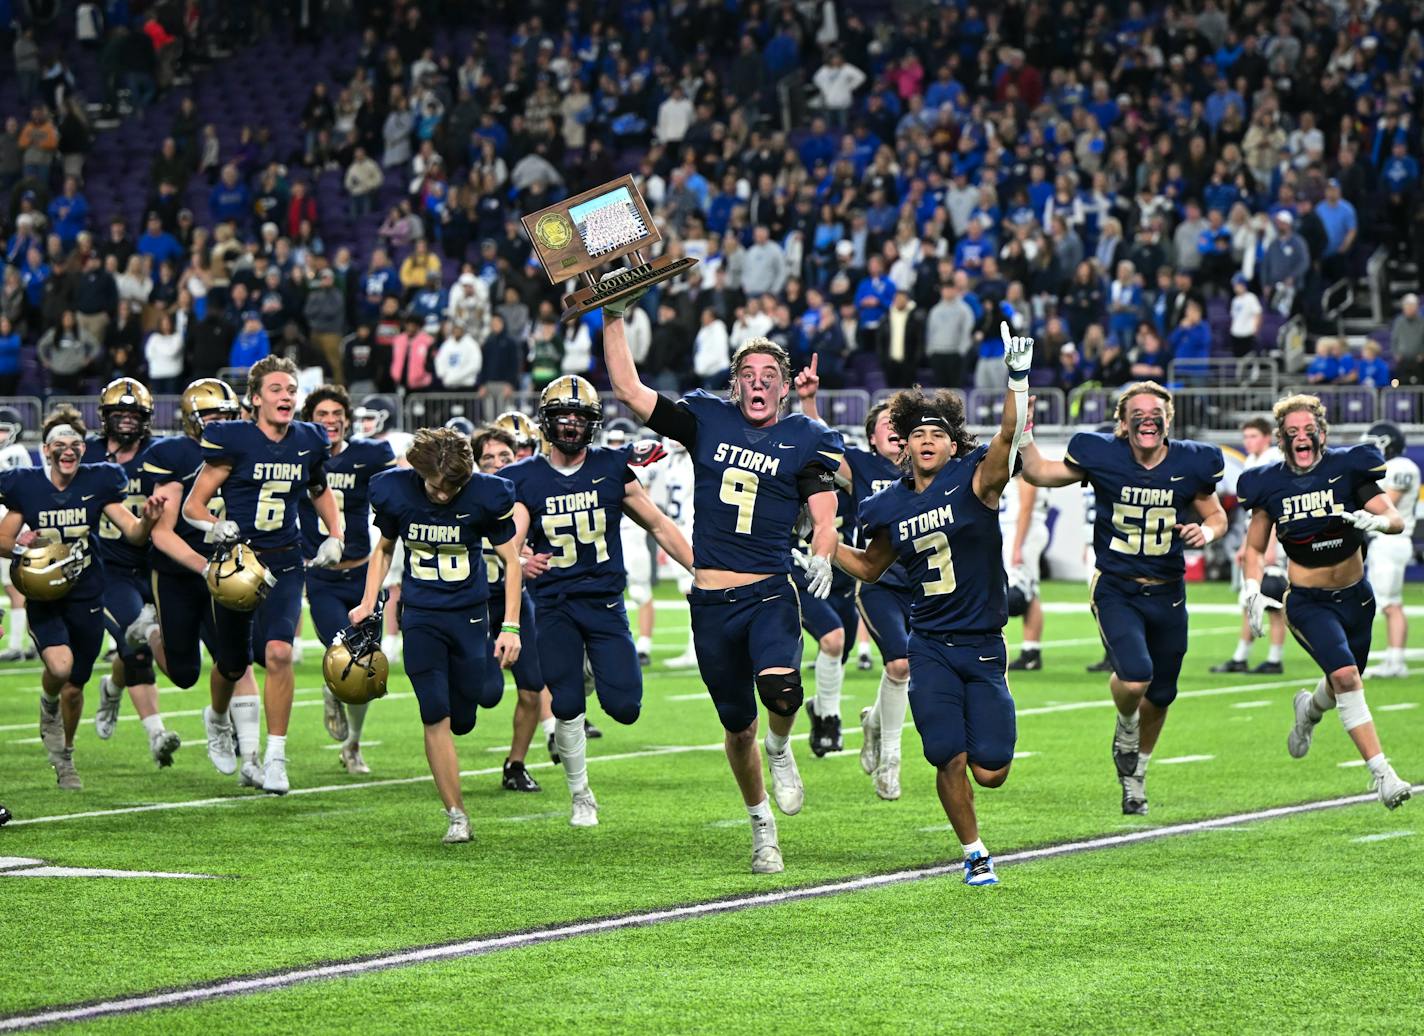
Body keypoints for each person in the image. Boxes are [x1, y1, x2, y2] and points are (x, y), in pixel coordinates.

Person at [604, 296, 844, 876]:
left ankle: (783, 747)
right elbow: (632, 392)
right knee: (737, 727)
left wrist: (823, 551)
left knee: (783, 691)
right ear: (735, 384)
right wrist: (612, 318)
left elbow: (824, 509)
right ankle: (761, 822)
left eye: (770, 377)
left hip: (768, 590)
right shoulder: (707, 417)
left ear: (784, 387)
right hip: (711, 600)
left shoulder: (806, 434)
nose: (758, 384)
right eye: (748, 375)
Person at [827, 324, 1035, 886]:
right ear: (904, 442)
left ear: (952, 443)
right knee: (946, 753)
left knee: (991, 771)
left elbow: (1010, 435)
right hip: (931, 644)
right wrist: (827, 550)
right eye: (916, 433)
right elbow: (872, 567)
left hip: (984, 643)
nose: (926, 440)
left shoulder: (976, 481)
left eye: (937, 434)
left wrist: (1017, 380)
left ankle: (978, 761)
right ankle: (974, 854)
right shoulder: (888, 504)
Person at [1021, 381, 1227, 816]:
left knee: (1163, 693)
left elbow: (1216, 514)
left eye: (1156, 412)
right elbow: (1039, 472)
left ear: (1168, 421)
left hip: (1168, 589)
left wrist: (1204, 532)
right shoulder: (1103, 454)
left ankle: (1136, 775)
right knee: (1135, 677)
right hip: (1116, 585)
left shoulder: (1193, 462)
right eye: (1137, 412)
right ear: (1121, 423)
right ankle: (1127, 726)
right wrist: (1024, 428)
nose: (1147, 418)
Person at [506, 376, 693, 827]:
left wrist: (700, 571)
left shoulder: (611, 467)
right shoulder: (524, 478)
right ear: (546, 423)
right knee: (567, 703)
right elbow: (506, 544)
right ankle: (580, 794)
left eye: (579, 417)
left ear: (592, 423)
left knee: (626, 707)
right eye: (562, 417)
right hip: (554, 605)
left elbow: (660, 525)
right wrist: (523, 561)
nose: (570, 425)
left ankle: (588, 668)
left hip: (605, 601)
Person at [1238, 396, 1412, 810]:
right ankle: (1382, 775)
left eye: (1307, 429)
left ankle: (1309, 710)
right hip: (1308, 601)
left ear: (1322, 432)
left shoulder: (1349, 467)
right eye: (1292, 431)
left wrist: (1378, 522)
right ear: (1281, 438)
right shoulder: (1268, 482)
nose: (1301, 437)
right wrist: (1251, 587)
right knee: (1349, 678)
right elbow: (1253, 547)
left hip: (1356, 597)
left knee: (1342, 681)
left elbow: (1396, 518)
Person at [183, 355, 345, 795]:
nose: (286, 396)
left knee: (278, 653)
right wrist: (212, 526)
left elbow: (319, 489)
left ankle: (275, 756)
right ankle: (217, 719)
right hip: (239, 563)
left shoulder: (309, 439)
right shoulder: (233, 440)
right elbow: (192, 505)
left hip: (287, 560)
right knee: (232, 664)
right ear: (255, 399)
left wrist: (336, 533)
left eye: (291, 390)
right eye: (276, 389)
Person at [357, 428, 523, 843]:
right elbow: (384, 548)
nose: (445, 494)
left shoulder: (487, 493)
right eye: (437, 484)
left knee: (470, 710)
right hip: (421, 616)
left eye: (455, 485)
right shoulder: (396, 490)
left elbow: (511, 562)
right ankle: (456, 814)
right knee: (433, 712)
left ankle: (469, 698)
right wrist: (367, 600)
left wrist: (511, 625)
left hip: (469, 616)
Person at [0, 406, 163, 790]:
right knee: (59, 668)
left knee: (75, 685)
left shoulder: (99, 481)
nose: (68, 449)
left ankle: (65, 757)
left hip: (87, 591)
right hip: (44, 594)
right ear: (46, 450)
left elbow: (134, 533)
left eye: (75, 443)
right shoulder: (26, 485)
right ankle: (46, 703)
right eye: (60, 443)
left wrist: (150, 520)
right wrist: (24, 549)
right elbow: (3, 539)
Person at [139, 378, 263, 778]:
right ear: (192, 419)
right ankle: (150, 633)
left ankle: (253, 759)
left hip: (226, 570)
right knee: (185, 673)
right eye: (210, 415)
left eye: (225, 413)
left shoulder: (245, 445)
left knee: (237, 659)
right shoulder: (174, 455)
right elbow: (161, 532)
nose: (220, 421)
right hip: (179, 572)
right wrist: (204, 566)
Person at [796, 373, 910, 799]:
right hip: (878, 581)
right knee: (898, 665)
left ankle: (873, 723)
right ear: (872, 438)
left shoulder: (930, 467)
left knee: (911, 672)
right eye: (889, 427)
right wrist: (809, 402)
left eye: (904, 426)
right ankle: (891, 761)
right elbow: (822, 449)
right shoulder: (862, 466)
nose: (898, 435)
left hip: (926, 585)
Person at [298, 385, 397, 774]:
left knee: (365, 666)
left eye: (337, 414)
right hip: (322, 576)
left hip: (361, 573)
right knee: (343, 651)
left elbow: (396, 488)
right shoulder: (300, 457)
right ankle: (332, 687)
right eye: (322, 414)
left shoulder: (368, 454)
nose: (331, 420)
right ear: (310, 420)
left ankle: (353, 745)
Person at [84, 379, 181, 768]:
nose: (126, 421)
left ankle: (112, 687)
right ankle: (156, 733)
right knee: (137, 642)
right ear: (105, 417)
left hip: (155, 565)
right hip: (108, 568)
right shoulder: (87, 454)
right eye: (118, 414)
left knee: (150, 643)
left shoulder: (160, 454)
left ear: (146, 419)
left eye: (133, 414)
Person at [472, 425, 548, 792]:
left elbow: (545, 548)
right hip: (472, 604)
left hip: (515, 602)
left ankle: (515, 763)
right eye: (488, 458)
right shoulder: (464, 498)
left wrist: (532, 560)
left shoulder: (527, 499)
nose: (499, 464)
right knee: (486, 695)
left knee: (532, 687)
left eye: (505, 456)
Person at [1212, 417, 1286, 674]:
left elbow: (1276, 507)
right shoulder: (1253, 462)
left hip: (1273, 540)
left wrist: (1270, 548)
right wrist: (1247, 546)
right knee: (1249, 601)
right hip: (1257, 536)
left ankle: (1275, 659)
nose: (1248, 442)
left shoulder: (1273, 459)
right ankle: (1241, 656)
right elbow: (1255, 515)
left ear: (1267, 437)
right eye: (1246, 437)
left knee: (1274, 602)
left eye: (1254, 436)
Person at [1358, 423, 1419, 680]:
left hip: (1391, 540)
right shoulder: (1396, 467)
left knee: (1391, 604)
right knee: (1390, 604)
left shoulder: (1401, 467)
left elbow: (1385, 504)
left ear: (1386, 443)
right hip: (1388, 541)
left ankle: (1396, 661)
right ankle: (1395, 659)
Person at [1001, 473, 1050, 671]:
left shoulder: (1026, 466)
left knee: (1022, 593)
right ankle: (1031, 651)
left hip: (1024, 532)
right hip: (1018, 531)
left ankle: (1031, 652)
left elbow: (1026, 506)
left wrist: (1018, 546)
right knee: (1030, 590)